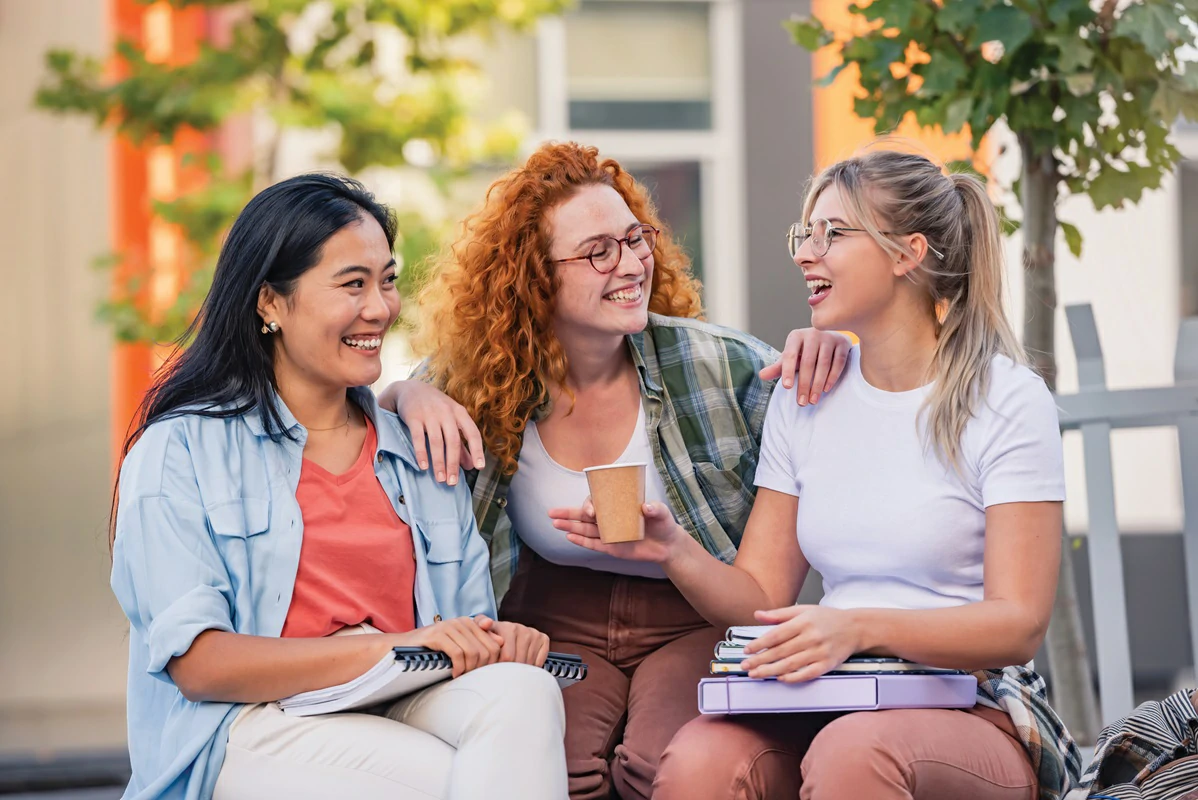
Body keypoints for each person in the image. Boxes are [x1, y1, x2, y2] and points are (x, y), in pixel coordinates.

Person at [551, 148, 1082, 800]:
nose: (807, 253)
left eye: (833, 234)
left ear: (906, 252)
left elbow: (1018, 623)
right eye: (805, 233)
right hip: (834, 691)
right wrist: (670, 550)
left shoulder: (1005, 399)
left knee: (854, 753)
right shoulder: (807, 397)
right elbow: (758, 598)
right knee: (698, 759)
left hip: (975, 703)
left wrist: (858, 627)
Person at [377, 141, 852, 799]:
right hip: (554, 611)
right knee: (550, 767)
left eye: (636, 240)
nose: (630, 265)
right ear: (531, 276)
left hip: (693, 613)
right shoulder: (482, 381)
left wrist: (831, 346)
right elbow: (367, 413)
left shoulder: (724, 367)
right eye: (599, 251)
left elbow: (844, 409)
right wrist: (404, 393)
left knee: (656, 765)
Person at [110, 173, 567, 800]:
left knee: (525, 690)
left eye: (386, 279)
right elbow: (201, 665)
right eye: (352, 283)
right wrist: (393, 646)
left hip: (398, 695)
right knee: (455, 781)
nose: (379, 307)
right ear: (270, 302)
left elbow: (458, 630)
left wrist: (490, 642)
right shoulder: (182, 452)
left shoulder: (417, 447)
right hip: (248, 724)